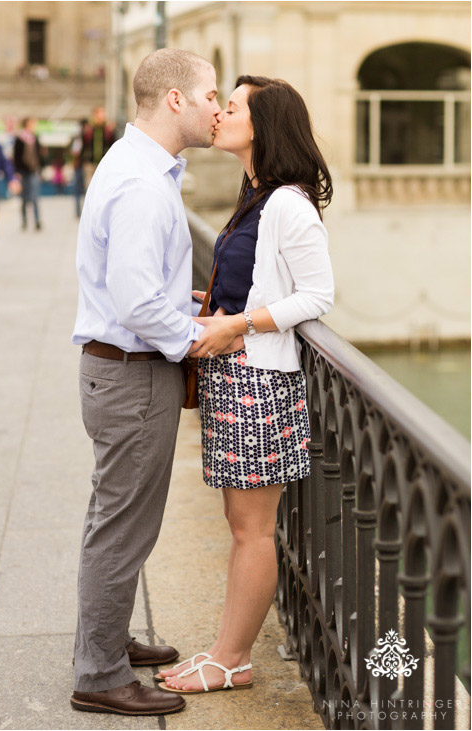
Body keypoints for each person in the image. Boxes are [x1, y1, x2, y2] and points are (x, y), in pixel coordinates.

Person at [157, 75, 334, 695]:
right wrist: (217, 302)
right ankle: (226, 652)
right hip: (236, 374)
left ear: (263, 125)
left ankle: (231, 660)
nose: (219, 114)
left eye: (230, 107)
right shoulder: (255, 194)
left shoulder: (287, 201)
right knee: (241, 525)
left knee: (251, 530)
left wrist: (237, 321)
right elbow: (257, 283)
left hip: (260, 380)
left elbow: (317, 296)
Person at [69, 48, 224, 717]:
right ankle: (100, 673)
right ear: (176, 100)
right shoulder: (140, 181)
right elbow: (135, 305)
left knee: (116, 520)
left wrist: (178, 300)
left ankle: (106, 642)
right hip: (132, 377)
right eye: (212, 94)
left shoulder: (138, 166)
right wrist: (202, 333)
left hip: (122, 370)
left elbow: (137, 288)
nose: (218, 106)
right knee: (122, 526)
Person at [13, 117, 43, 231]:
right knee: (24, 198)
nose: (34, 125)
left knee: (35, 197)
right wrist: (17, 172)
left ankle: (37, 221)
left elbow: (39, 155)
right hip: (23, 172)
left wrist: (39, 169)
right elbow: (16, 157)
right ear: (27, 124)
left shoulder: (35, 138)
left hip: (33, 171)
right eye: (32, 123)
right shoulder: (19, 139)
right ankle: (24, 221)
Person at [70, 119, 91, 218]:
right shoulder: (80, 136)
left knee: (82, 189)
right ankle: (80, 211)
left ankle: (81, 210)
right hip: (81, 165)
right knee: (81, 189)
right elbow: (75, 151)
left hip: (83, 165)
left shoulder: (83, 136)